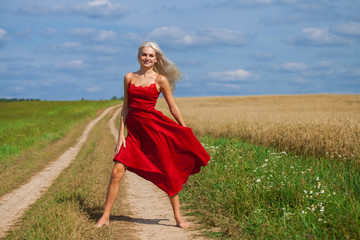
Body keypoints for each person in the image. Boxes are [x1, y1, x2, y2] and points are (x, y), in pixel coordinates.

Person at [95, 41, 210, 229]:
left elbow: (173, 107)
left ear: (156, 59)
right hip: (134, 135)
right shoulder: (129, 77)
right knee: (116, 172)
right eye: (144, 55)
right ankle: (105, 217)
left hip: (155, 132)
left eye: (151, 55)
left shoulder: (160, 80)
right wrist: (121, 135)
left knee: (168, 171)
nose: (147, 58)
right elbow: (125, 107)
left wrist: (184, 130)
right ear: (139, 57)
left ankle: (178, 218)